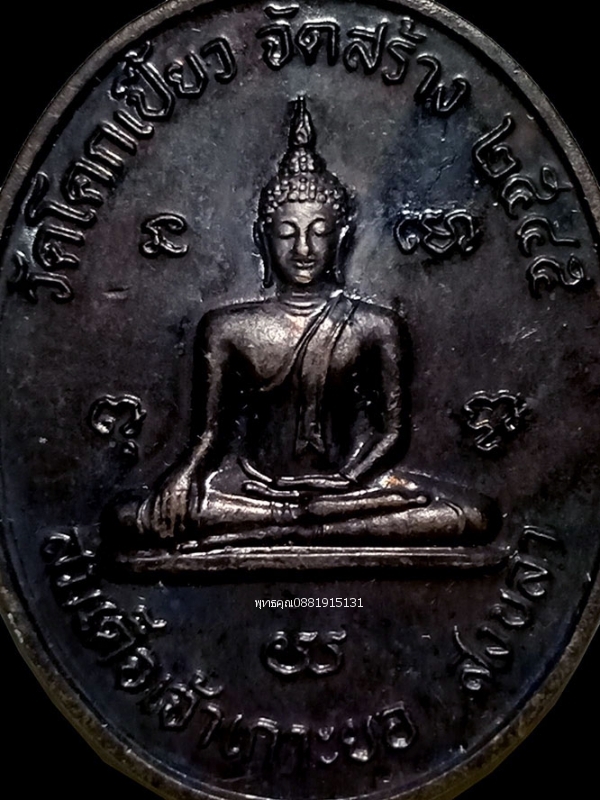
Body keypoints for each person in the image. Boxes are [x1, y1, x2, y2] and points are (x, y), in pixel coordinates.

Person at [104, 97, 496, 552]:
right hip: (252, 490)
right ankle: (294, 523)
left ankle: (289, 527)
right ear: (262, 239)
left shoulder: (375, 326)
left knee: (473, 517)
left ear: (341, 238)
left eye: (318, 232)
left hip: (348, 493)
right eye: (287, 234)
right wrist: (185, 475)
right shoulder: (227, 329)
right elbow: (211, 434)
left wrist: (347, 482)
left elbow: (391, 432)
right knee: (127, 519)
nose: (304, 249)